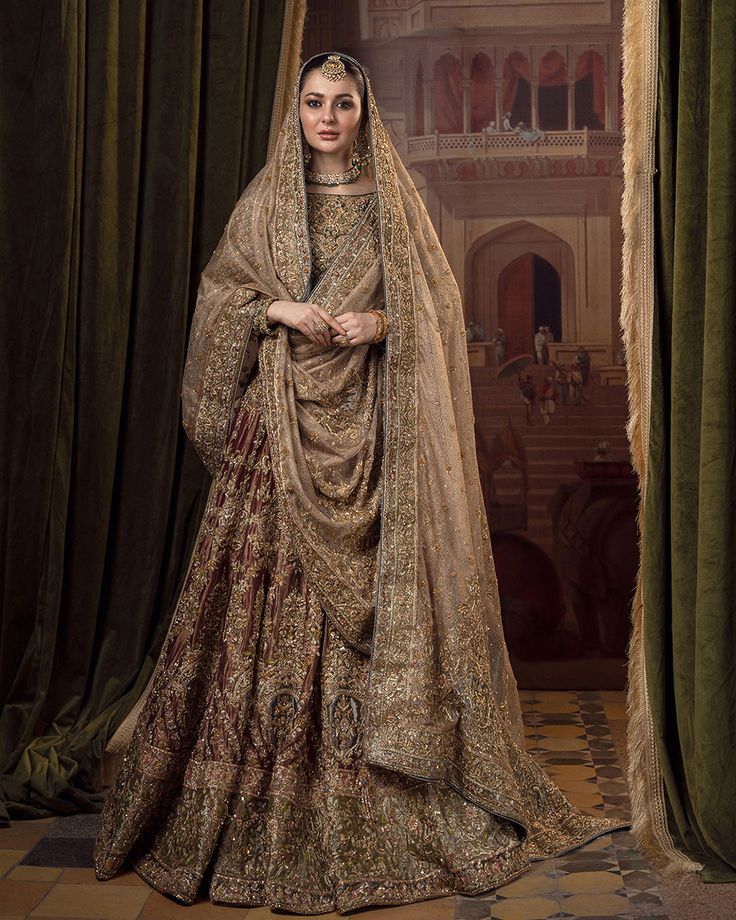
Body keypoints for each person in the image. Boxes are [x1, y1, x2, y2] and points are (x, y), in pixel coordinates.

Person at [93, 52, 624, 913]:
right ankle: (245, 799)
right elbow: (221, 294)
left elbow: (436, 310)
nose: (328, 117)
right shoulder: (269, 200)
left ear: (362, 111)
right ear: (297, 111)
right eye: (314, 102)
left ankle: (379, 792)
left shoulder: (394, 205)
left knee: (370, 613)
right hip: (276, 435)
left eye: (342, 103)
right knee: (257, 609)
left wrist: (376, 322)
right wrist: (282, 310)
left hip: (371, 437)